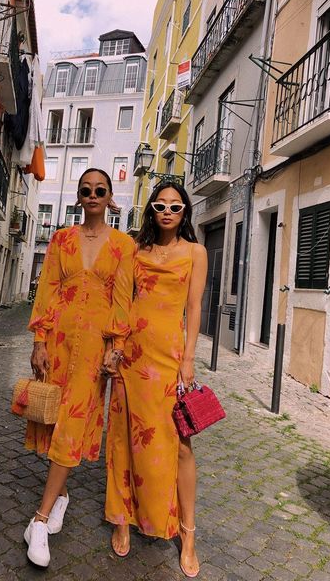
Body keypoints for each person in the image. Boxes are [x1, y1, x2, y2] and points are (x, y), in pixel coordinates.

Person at [24, 168, 135, 567]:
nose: (92, 196)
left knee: (74, 423)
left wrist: (117, 346)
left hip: (93, 349)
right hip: (58, 341)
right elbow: (47, 288)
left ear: (110, 198)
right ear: (78, 197)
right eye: (86, 190)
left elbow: (123, 300)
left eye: (99, 190)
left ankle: (39, 519)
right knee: (54, 418)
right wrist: (39, 340)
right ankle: (63, 496)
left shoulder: (123, 245)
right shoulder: (61, 239)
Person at [105, 181, 208, 578]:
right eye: (161, 205)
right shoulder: (136, 250)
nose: (167, 212)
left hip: (169, 360)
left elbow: (195, 308)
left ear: (185, 212)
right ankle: (122, 517)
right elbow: (122, 300)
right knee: (123, 437)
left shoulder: (195, 253)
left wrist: (189, 359)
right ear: (151, 210)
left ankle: (188, 532)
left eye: (176, 206)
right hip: (132, 355)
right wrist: (115, 347)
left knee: (181, 445)